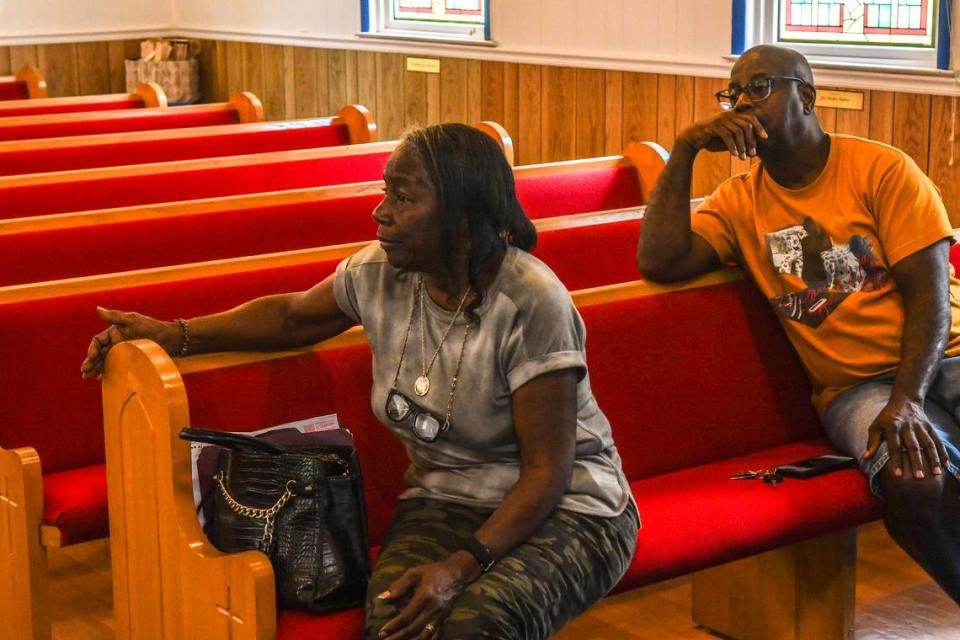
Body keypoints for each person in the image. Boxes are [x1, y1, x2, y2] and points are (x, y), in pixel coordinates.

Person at [82, 123, 639, 639]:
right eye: (385, 192)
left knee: (475, 625)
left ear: (462, 215)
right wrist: (173, 334)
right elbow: (292, 317)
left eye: (404, 198)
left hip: (573, 509)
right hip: (445, 499)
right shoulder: (381, 273)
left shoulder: (530, 301)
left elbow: (548, 471)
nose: (380, 213)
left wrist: (459, 567)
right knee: (397, 621)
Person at [637, 43, 960, 603]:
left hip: (945, 354)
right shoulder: (736, 203)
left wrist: (907, 400)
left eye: (759, 88)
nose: (742, 104)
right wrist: (686, 149)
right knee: (914, 481)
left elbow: (930, 298)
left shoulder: (880, 169)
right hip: (853, 387)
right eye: (733, 93)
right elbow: (659, 262)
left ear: (805, 96)